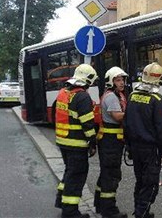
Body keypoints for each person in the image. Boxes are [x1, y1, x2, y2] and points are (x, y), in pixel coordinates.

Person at [124, 62, 162, 218]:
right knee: (150, 185)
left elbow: (127, 124)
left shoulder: (132, 95)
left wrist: (129, 147)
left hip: (135, 148)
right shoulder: (156, 99)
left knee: (140, 181)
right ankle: (141, 214)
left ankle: (142, 211)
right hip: (150, 150)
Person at [54, 64, 98, 218]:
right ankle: (70, 212)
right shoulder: (82, 96)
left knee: (69, 172)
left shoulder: (63, 92)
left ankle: (61, 200)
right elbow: (88, 124)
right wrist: (92, 142)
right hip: (76, 144)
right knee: (76, 177)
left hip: (63, 141)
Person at [94, 66, 129, 218]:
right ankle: (109, 210)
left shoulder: (116, 95)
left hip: (110, 141)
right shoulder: (111, 97)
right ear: (111, 82)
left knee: (106, 173)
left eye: (122, 80)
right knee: (112, 175)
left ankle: (99, 203)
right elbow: (117, 116)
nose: (121, 83)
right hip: (110, 142)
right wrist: (134, 112)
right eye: (118, 80)